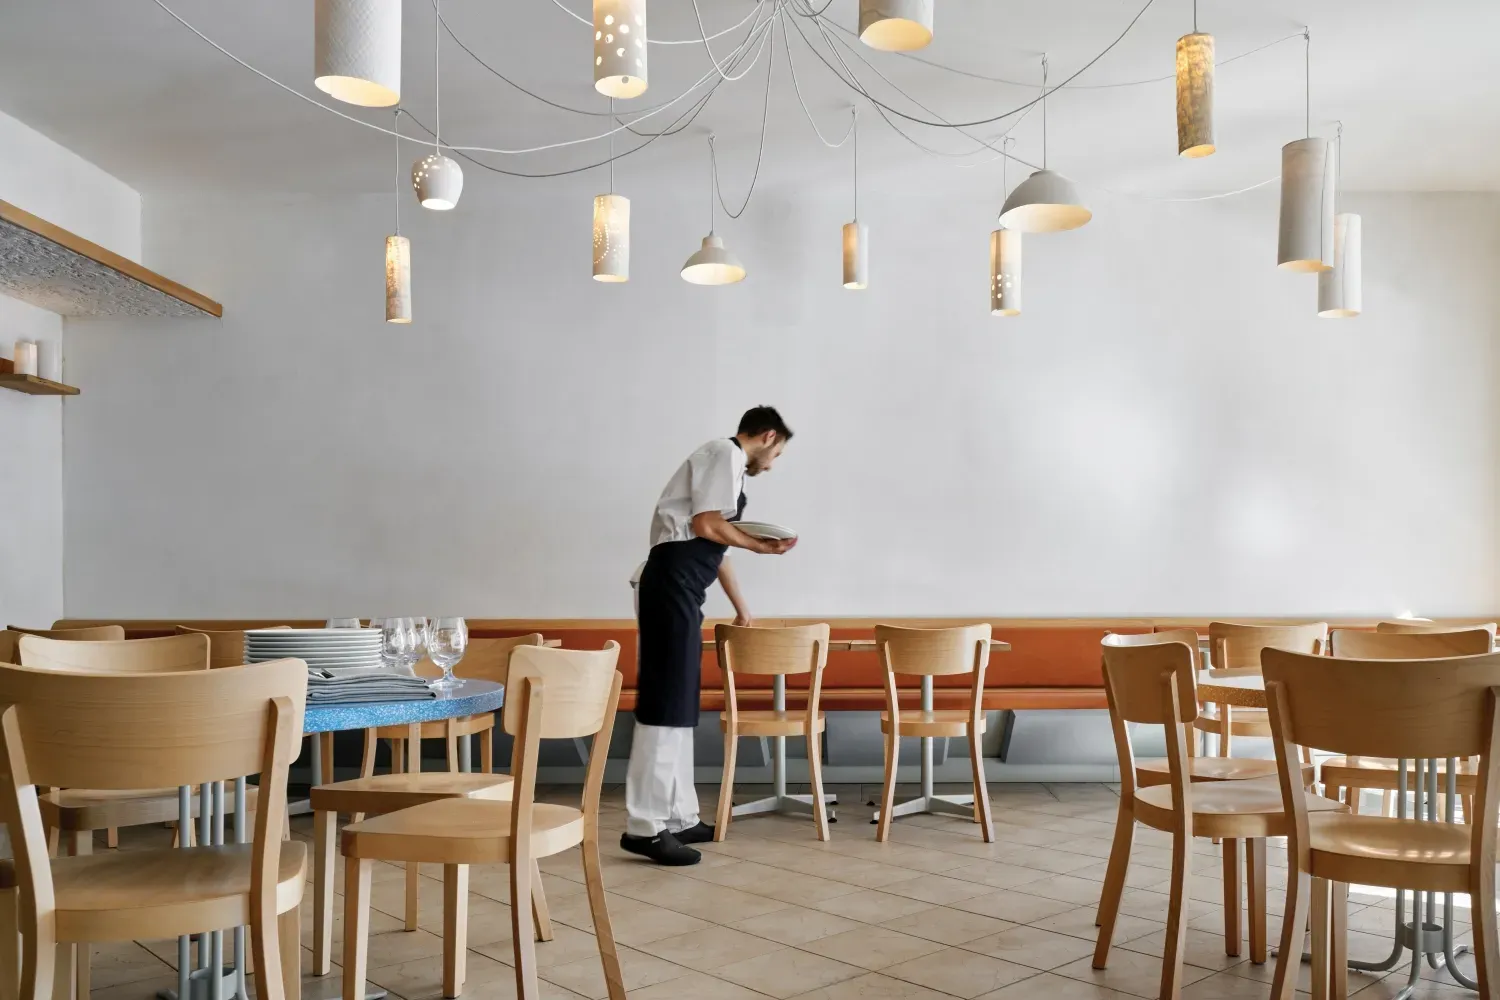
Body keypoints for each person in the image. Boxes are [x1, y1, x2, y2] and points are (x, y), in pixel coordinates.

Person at [622, 406, 798, 865]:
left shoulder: (730, 470)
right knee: (664, 703)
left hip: (683, 586)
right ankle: (644, 826)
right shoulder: (725, 452)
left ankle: (679, 816)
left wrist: (742, 607)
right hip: (670, 583)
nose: (772, 464)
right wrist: (762, 546)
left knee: (680, 702)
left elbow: (716, 543)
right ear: (767, 435)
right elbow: (705, 527)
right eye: (776, 454)